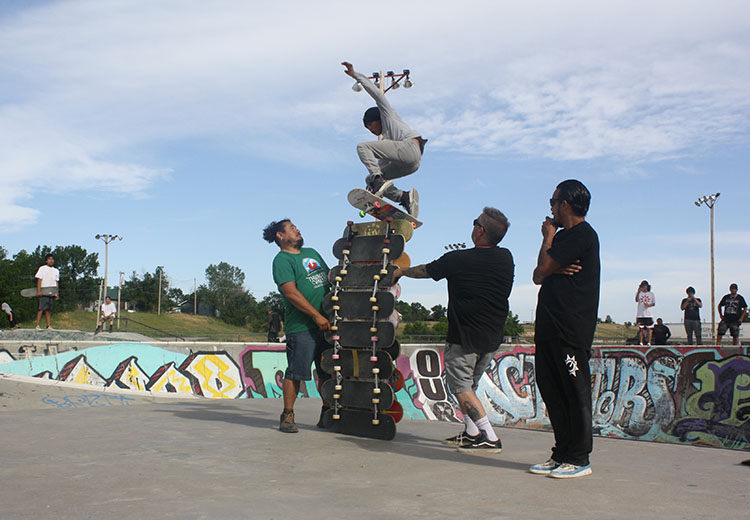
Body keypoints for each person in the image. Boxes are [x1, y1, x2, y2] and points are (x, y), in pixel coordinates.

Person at [394, 207, 514, 453]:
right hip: (491, 338)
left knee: (461, 388)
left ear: (480, 231)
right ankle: (472, 432)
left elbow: (426, 271)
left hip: (464, 338)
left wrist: (400, 272)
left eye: (475, 223)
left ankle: (489, 437)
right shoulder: (505, 258)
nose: (473, 226)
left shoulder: (459, 260)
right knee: (470, 386)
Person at [531, 179, 600, 479]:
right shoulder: (562, 240)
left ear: (566, 204)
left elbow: (544, 269)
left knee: (575, 393)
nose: (550, 207)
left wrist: (548, 239)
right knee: (552, 392)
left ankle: (579, 457)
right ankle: (561, 454)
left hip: (570, 331)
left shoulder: (582, 235)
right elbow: (537, 274)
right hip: (548, 329)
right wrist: (552, 260)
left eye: (553, 201)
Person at [263, 219, 331, 432]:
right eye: (292, 229)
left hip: (327, 324)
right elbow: (291, 293)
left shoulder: (312, 252)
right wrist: (316, 316)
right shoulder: (282, 261)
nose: (298, 230)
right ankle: (288, 415)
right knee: (296, 372)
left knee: (327, 372)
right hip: (302, 327)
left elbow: (330, 279)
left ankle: (328, 413)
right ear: (280, 236)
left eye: (297, 227)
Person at [341, 61, 426, 218]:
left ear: (378, 119)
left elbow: (378, 95)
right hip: (411, 165)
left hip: (409, 149)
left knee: (362, 147)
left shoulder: (388, 115)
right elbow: (379, 167)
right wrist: (370, 191)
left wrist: (355, 75)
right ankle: (404, 197)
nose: (372, 130)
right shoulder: (387, 141)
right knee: (374, 179)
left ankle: (378, 181)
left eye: (371, 125)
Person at [34, 254, 59, 330]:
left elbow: (56, 282)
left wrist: (57, 293)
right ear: (46, 261)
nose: (51, 260)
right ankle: (37, 325)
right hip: (44, 290)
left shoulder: (56, 271)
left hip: (51, 292)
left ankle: (48, 325)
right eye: (49, 259)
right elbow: (39, 280)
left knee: (48, 309)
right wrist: (39, 290)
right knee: (41, 308)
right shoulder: (42, 268)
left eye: (52, 259)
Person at [635, 281, 656, 346]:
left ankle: (649, 342)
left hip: (648, 314)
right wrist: (638, 291)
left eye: (644, 286)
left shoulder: (651, 294)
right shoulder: (639, 293)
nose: (643, 287)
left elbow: (653, 303)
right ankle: (641, 342)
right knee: (641, 329)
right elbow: (636, 300)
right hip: (640, 314)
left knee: (649, 328)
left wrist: (648, 305)